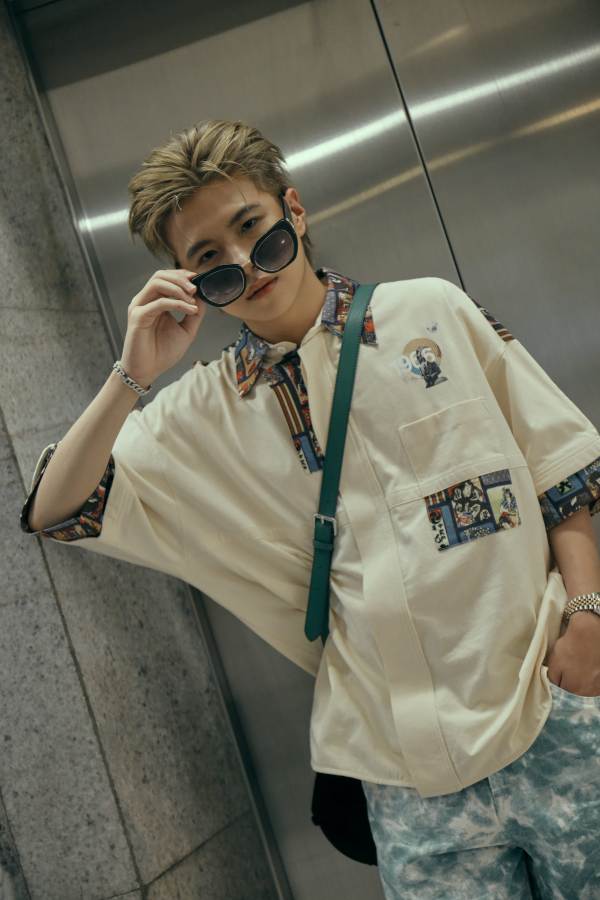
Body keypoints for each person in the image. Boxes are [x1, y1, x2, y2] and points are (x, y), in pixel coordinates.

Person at [20, 119, 600, 898]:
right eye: (208, 259)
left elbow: (561, 475)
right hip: (408, 780)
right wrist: (133, 375)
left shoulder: (430, 311)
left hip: (551, 714)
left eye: (252, 228)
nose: (243, 264)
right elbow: (58, 510)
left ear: (292, 210)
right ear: (188, 282)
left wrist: (588, 621)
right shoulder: (204, 412)